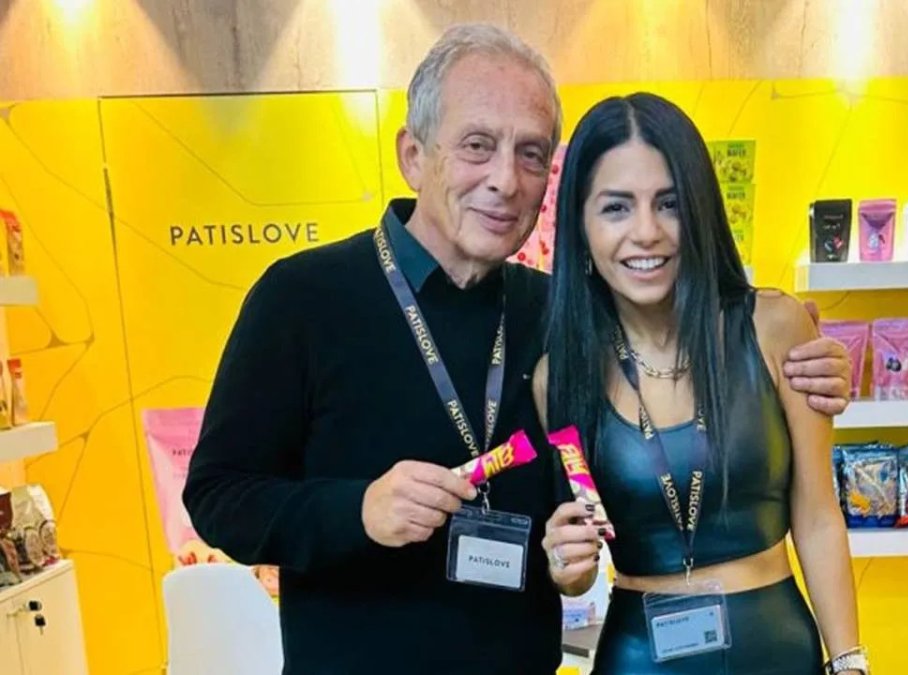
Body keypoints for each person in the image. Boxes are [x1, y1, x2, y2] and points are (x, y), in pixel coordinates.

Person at [184, 24, 852, 675]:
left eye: (531, 154)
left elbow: (680, 345)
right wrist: (356, 510)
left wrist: (805, 358)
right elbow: (218, 494)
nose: (505, 179)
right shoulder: (304, 298)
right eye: (478, 145)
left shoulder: (560, 315)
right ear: (413, 155)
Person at [535, 93, 866, 675]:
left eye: (669, 203)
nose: (646, 232)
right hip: (639, 659)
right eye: (616, 208)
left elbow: (818, 517)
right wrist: (567, 567)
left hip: (776, 652)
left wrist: (849, 662)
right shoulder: (558, 379)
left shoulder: (773, 327)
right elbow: (582, 555)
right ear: (580, 226)